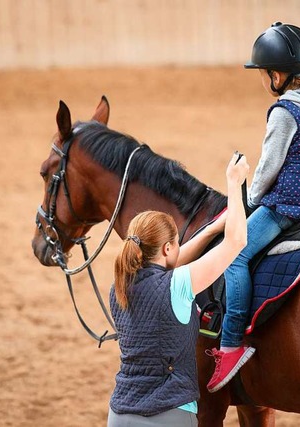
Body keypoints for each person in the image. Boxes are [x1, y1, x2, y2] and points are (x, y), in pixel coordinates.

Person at [206, 22, 300, 393]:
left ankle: (231, 343)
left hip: (290, 208)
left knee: (234, 254)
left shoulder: (285, 111)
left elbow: (267, 170)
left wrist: (247, 201)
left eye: (263, 74)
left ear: (275, 75)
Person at [107, 153, 249, 427]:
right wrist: (234, 182)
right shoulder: (178, 284)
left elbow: (165, 265)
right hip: (170, 415)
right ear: (167, 249)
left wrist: (208, 232)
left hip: (120, 415)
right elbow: (236, 242)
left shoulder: (119, 286)